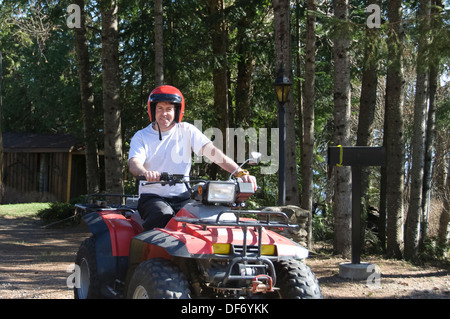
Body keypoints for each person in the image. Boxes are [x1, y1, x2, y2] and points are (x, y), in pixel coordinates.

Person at [128, 85, 257, 231]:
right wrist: (145, 173)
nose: (164, 113)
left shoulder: (186, 130)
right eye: (160, 108)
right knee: (162, 215)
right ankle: (150, 253)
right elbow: (134, 163)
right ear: (152, 110)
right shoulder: (141, 136)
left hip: (183, 197)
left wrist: (240, 172)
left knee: (208, 219)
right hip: (151, 197)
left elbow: (213, 153)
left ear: (177, 111)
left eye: (169, 109)